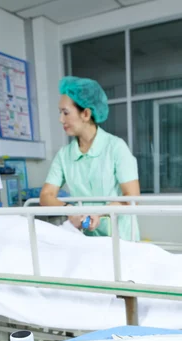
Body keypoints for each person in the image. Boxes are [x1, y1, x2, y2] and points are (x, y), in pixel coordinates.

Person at [40, 76, 140, 241]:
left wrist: (98, 213)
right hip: (87, 241)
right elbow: (46, 196)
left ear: (86, 113)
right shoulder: (64, 155)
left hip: (122, 240)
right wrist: (70, 210)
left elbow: (133, 198)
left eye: (66, 113)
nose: (61, 119)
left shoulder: (115, 147)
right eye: (60, 113)